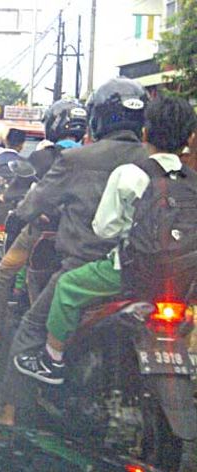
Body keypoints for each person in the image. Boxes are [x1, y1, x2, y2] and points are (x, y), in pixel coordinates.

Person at [0, 78, 150, 426]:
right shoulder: (157, 159)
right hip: (144, 273)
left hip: (83, 266)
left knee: (30, 328)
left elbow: (35, 203)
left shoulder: (77, 159)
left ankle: (9, 414)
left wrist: (18, 218)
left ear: (99, 119)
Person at [14, 96, 197, 385]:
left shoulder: (127, 173)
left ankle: (47, 365)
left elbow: (105, 228)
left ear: (147, 133)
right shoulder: (192, 179)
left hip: (127, 274)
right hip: (183, 281)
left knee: (57, 298)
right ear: (189, 137)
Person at [0, 99, 88, 342]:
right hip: (82, 234)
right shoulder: (91, 156)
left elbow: (18, 193)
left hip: (43, 229)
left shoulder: (42, 157)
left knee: (4, 271)